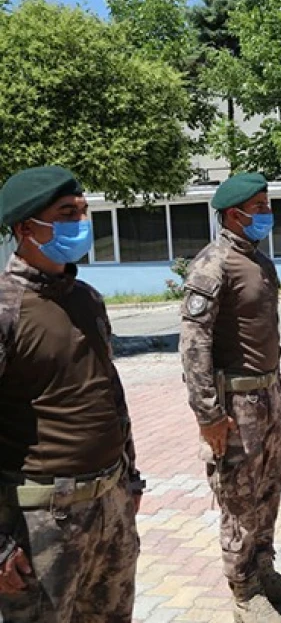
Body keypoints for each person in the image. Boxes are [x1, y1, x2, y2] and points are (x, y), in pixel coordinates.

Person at [0, 166, 144, 622]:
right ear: (25, 228)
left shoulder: (86, 298)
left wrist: (130, 476)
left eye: (82, 210)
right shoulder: (6, 308)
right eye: (66, 213)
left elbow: (109, 393)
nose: (81, 222)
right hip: (43, 520)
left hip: (110, 504)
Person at [180, 172, 281, 623]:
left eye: (267, 204)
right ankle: (244, 592)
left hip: (266, 395)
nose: (266, 213)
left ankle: (264, 571)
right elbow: (194, 346)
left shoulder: (259, 261)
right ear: (233, 214)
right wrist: (208, 415)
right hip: (234, 407)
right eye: (258, 207)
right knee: (239, 499)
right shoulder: (212, 264)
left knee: (267, 492)